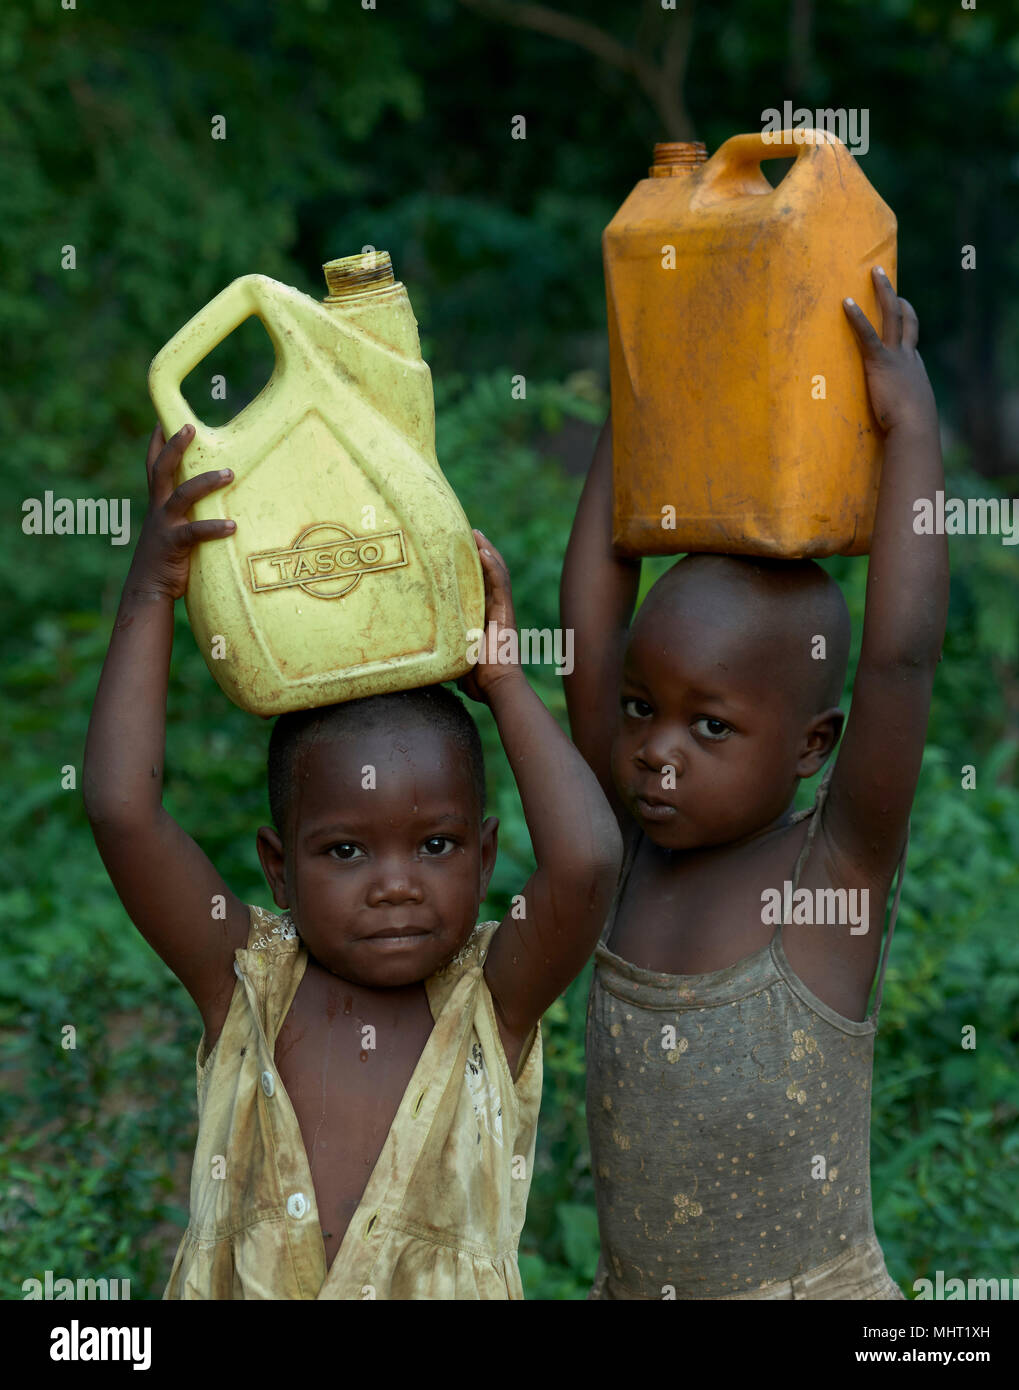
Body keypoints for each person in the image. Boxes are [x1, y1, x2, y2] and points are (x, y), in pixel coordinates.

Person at [83, 423, 621, 1299]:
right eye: (344, 850)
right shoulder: (246, 984)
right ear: (278, 869)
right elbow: (120, 807)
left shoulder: (494, 1003)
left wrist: (504, 682)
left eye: (437, 845)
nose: (397, 884)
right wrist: (152, 591)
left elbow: (590, 861)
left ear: (486, 859)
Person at [560, 268, 948, 1299]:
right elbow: (590, 629)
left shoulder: (835, 871)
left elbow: (899, 659)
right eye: (642, 708)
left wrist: (909, 431)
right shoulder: (625, 842)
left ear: (812, 746)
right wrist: (637, 399)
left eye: (711, 725)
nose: (655, 749)